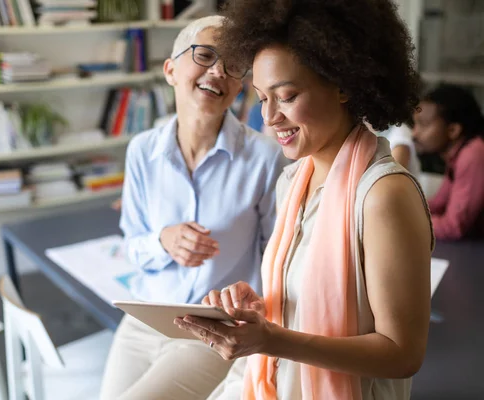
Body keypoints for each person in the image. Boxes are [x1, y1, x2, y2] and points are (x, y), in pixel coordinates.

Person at [174, 1, 433, 399]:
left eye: (287, 96)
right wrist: (260, 309)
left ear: (344, 84)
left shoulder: (383, 194)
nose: (270, 117)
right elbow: (310, 309)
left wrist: (271, 340)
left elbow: (402, 354)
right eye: (262, 98)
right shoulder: (295, 181)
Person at [99, 15, 287, 400]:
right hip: (144, 318)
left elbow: (278, 260)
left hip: (210, 329)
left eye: (233, 64)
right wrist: (163, 241)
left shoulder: (266, 158)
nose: (218, 71)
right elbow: (133, 245)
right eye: (205, 55)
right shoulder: (142, 150)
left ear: (239, 86)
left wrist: (247, 300)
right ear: (170, 70)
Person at [412, 84, 484, 240]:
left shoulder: (473, 154)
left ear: (453, 130)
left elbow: (454, 226)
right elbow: (439, 203)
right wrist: (405, 209)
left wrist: (404, 222)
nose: (415, 133)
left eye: (423, 125)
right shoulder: (456, 155)